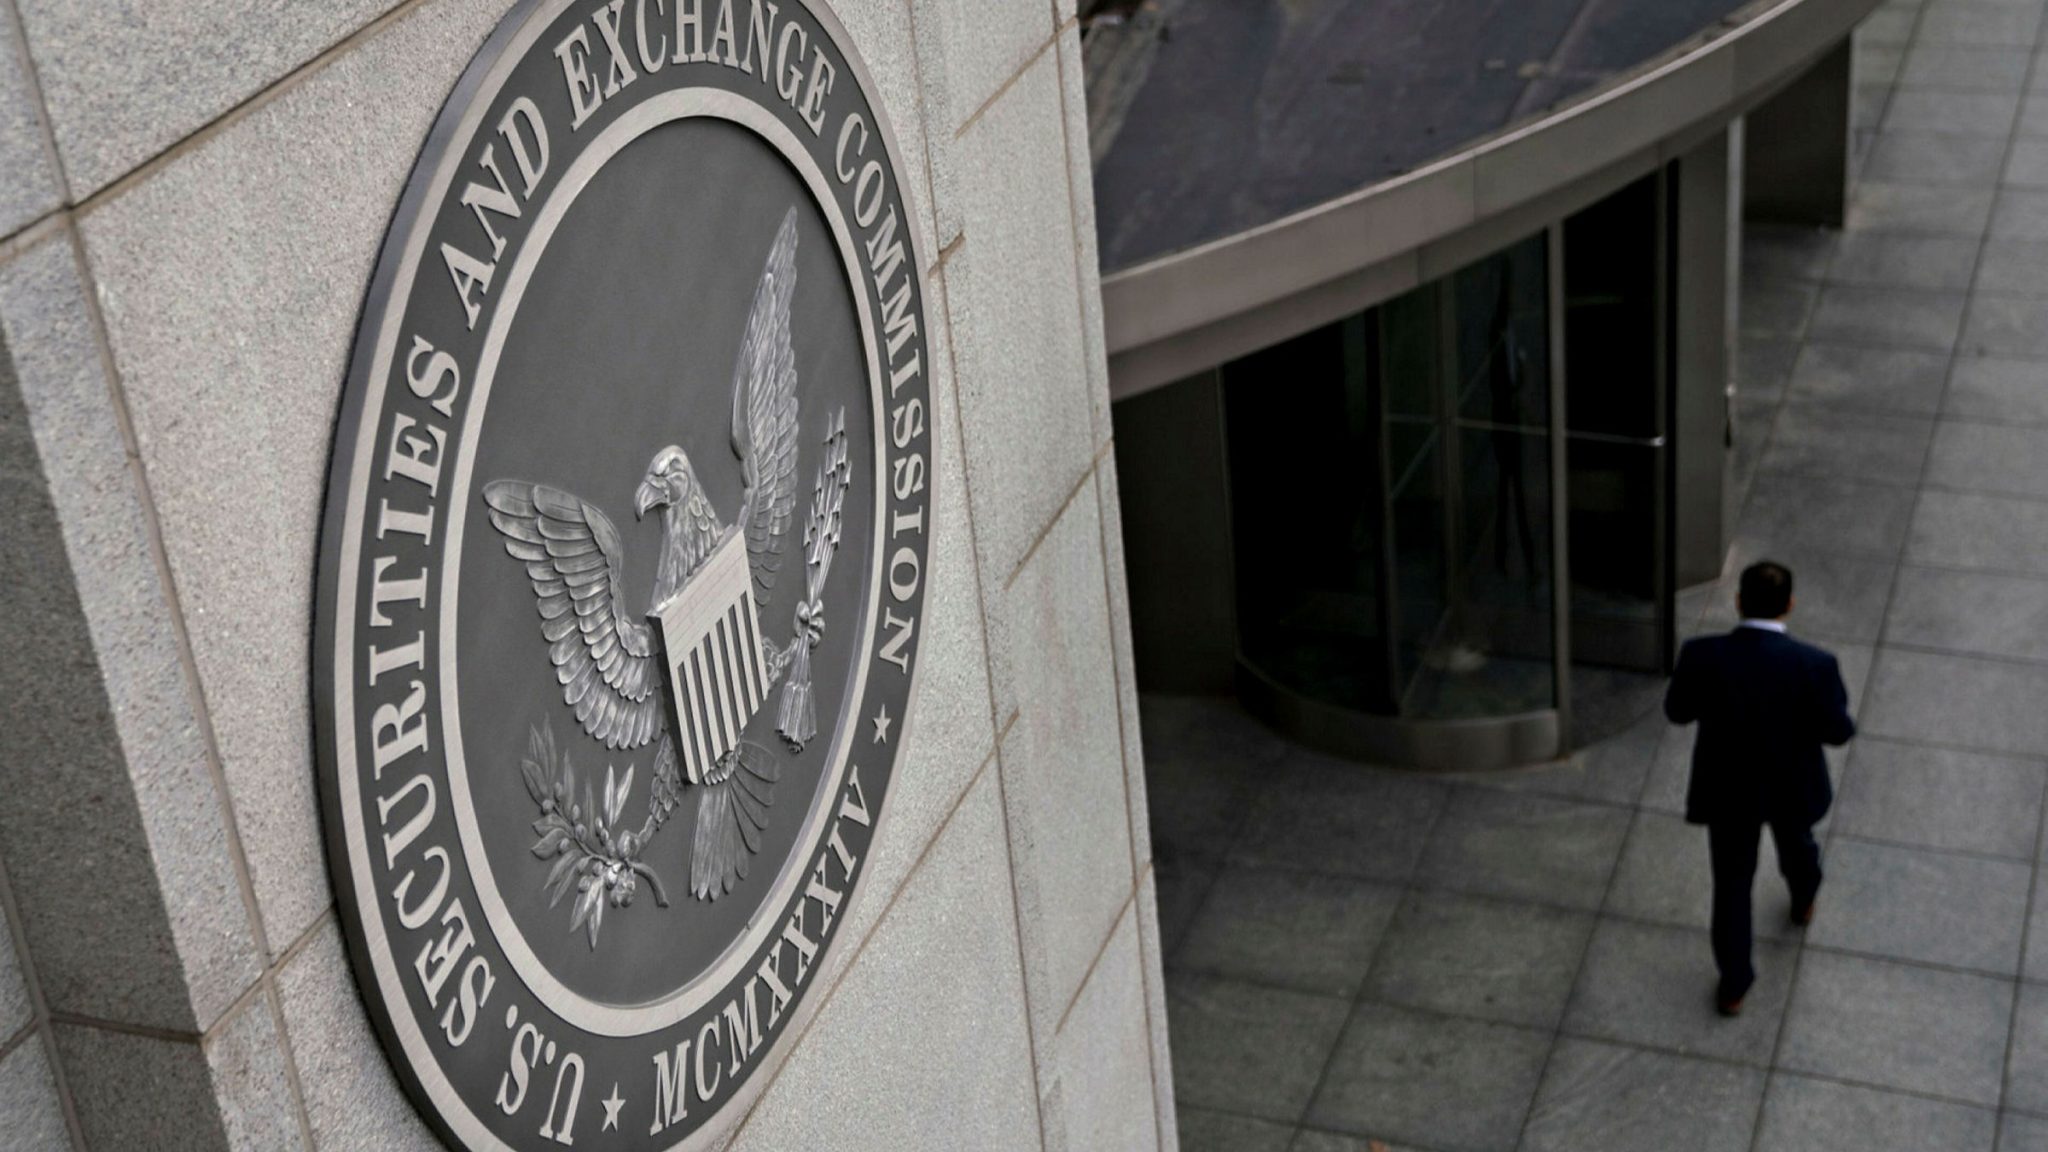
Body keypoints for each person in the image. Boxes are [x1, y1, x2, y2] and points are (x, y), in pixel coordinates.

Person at [1663, 561, 1855, 1017]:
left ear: (1738, 602)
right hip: (1791, 786)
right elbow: (1837, 732)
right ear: (1790, 604)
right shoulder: (1815, 664)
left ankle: (1734, 985)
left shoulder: (1702, 655)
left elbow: (1677, 711)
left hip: (1728, 789)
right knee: (1797, 845)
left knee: (1732, 886)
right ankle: (1804, 896)